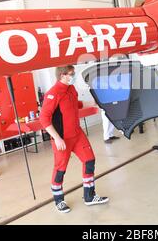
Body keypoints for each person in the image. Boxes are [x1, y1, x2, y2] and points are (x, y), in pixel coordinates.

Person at [40, 65, 109, 213]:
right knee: (60, 170)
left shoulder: (71, 89)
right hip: (62, 138)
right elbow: (44, 119)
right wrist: (57, 139)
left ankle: (89, 196)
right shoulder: (52, 94)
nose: (74, 76)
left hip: (77, 134)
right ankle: (59, 200)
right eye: (72, 74)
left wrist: (93, 103)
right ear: (63, 75)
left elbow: (75, 105)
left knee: (89, 160)